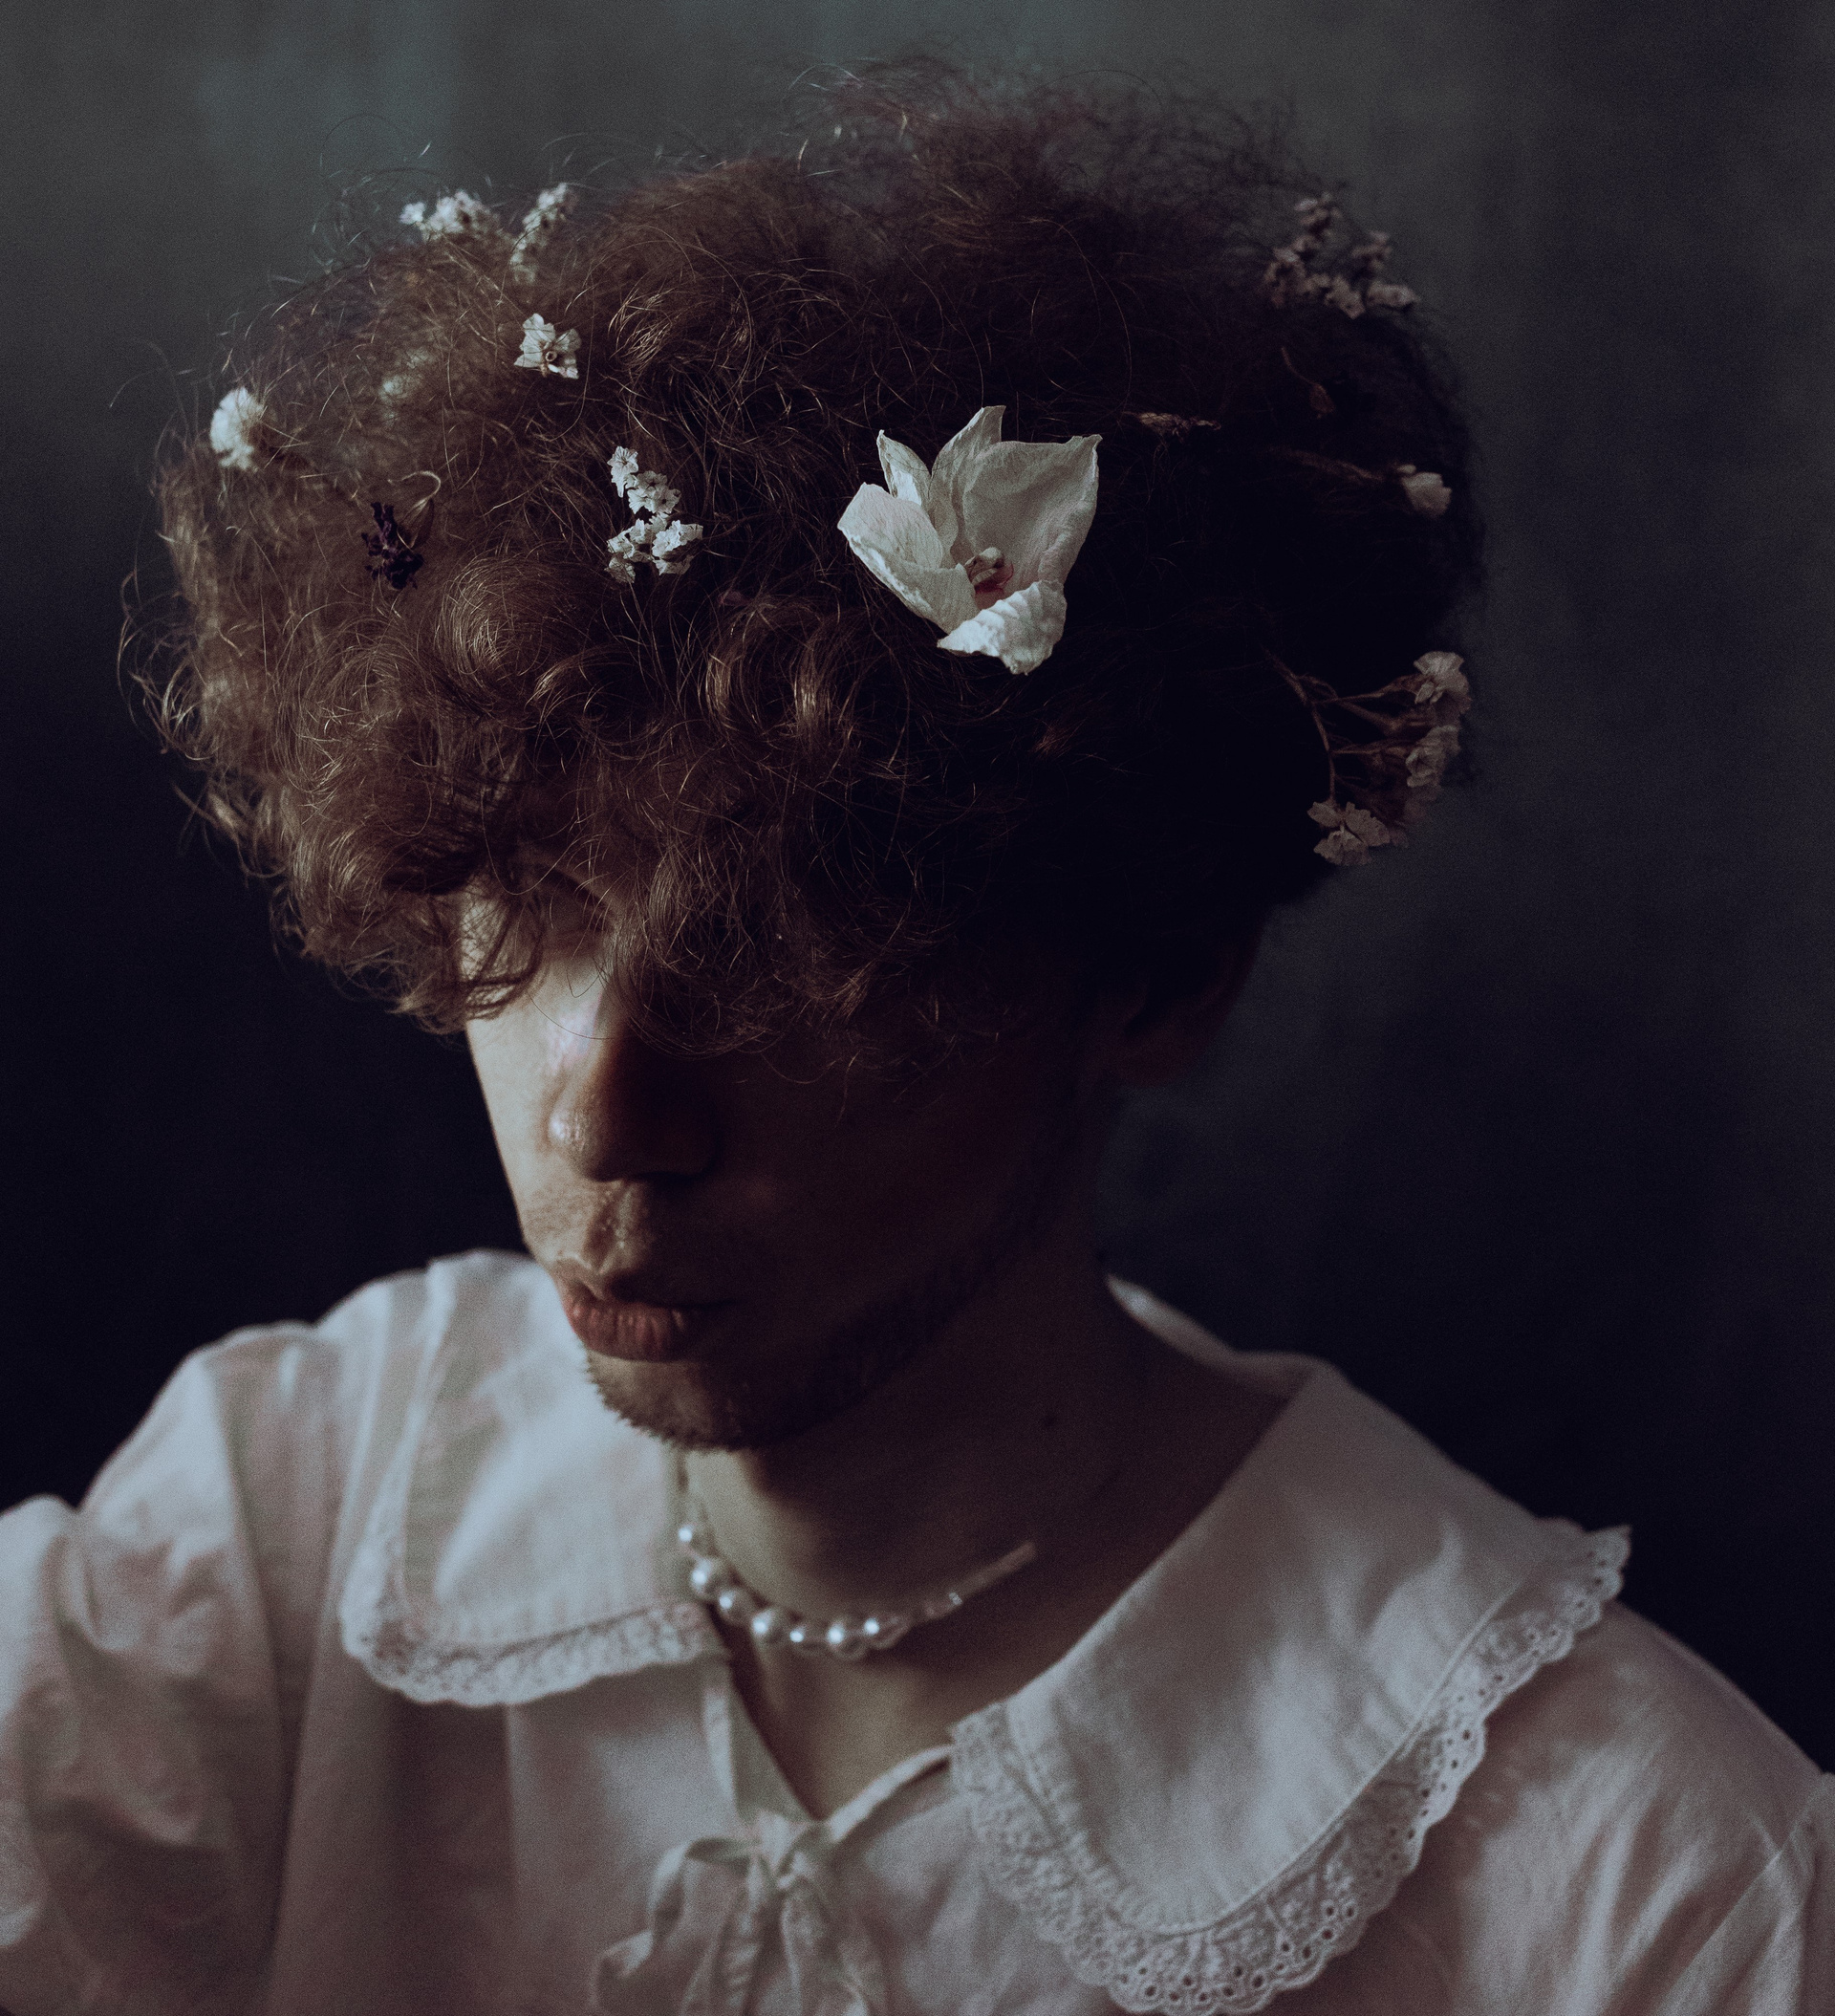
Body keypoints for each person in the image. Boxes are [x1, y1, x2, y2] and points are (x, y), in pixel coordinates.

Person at [1, 73, 1827, 2016]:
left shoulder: (1641, 1889)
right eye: (533, 909)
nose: (605, 1111)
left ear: (1159, 974)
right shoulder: (290, 1515)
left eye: (784, 955)